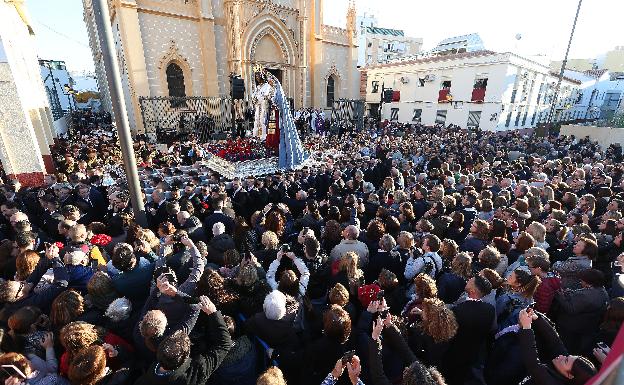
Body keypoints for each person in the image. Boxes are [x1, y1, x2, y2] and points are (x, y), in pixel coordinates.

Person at [134, 296, 232, 385]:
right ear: (185, 357)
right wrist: (213, 313)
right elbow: (225, 344)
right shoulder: (195, 374)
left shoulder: (148, 376)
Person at [517, 308, 597, 385]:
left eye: (566, 360)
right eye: (568, 356)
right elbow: (555, 342)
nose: (562, 356)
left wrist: (526, 327)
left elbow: (533, 364)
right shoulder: (563, 363)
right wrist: (537, 318)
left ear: (569, 375)